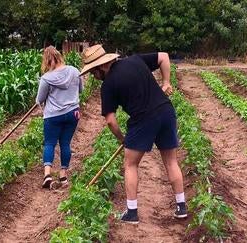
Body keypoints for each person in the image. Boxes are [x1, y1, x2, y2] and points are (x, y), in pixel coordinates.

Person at [79, 44, 186, 224]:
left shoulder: (108, 85)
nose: (93, 76)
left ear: (102, 66)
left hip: (144, 119)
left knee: (130, 164)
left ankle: (132, 212)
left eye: (93, 72)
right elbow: (164, 57)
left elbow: (111, 121)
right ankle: (181, 206)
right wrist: (166, 82)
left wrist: (123, 139)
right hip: (166, 111)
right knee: (171, 161)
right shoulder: (135, 60)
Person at [36, 46, 82, 188]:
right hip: (73, 113)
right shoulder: (75, 71)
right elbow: (80, 90)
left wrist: (39, 101)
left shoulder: (47, 78)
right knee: (65, 144)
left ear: (47, 61)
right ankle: (63, 176)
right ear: (59, 56)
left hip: (53, 115)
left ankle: (47, 175)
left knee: (49, 143)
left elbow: (40, 98)